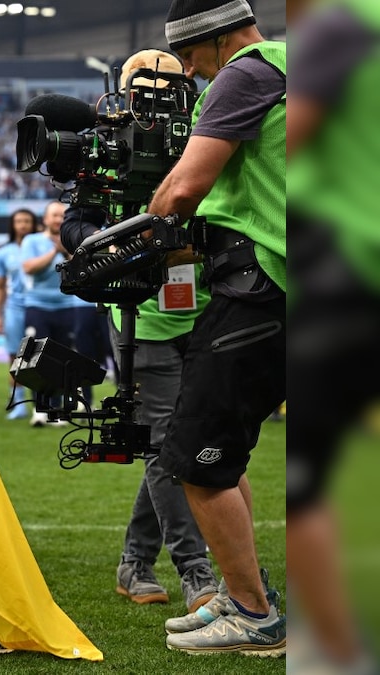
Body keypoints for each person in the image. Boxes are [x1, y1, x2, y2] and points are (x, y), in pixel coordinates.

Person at [148, 0, 286, 655]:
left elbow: (183, 190)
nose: (193, 73)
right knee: (221, 452)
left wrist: (135, 238)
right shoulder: (294, 65)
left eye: (192, 57)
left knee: (195, 455)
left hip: (265, 283)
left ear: (211, 37)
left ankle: (256, 614)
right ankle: (243, 591)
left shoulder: (245, 72)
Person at [62, 49, 221, 616]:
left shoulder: (211, 136)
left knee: (175, 442)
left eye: (167, 87)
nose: (155, 98)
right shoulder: (106, 148)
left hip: (208, 311)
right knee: (165, 445)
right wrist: (132, 243)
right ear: (123, 92)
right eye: (144, 86)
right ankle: (195, 569)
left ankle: (135, 561)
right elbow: (75, 225)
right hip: (145, 319)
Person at [287, 1, 378, 670]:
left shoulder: (343, 26)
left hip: (349, 275)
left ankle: (340, 654)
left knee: (302, 484)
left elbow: (292, 137)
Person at [20, 201, 76, 426]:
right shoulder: (32, 240)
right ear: (45, 219)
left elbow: (81, 268)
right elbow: (29, 267)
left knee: (63, 360)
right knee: (36, 356)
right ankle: (40, 407)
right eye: (54, 215)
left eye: (62, 216)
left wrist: (68, 251)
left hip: (66, 305)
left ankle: (59, 409)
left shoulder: (73, 244)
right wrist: (55, 250)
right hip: (38, 305)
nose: (58, 220)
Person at [0, 208, 36, 419]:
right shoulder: (4, 252)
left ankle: (40, 400)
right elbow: (0, 287)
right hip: (15, 308)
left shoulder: (40, 246)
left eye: (27, 221)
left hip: (39, 306)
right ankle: (17, 402)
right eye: (19, 221)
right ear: (13, 225)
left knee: (40, 354)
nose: (23, 225)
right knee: (14, 356)